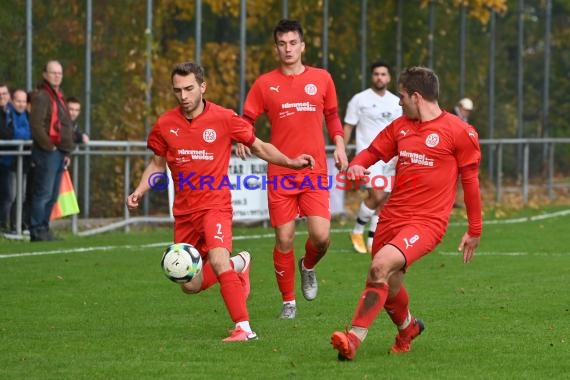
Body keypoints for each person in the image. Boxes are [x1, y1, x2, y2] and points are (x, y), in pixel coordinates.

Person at [126, 62, 314, 342]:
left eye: (189, 88)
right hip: (185, 213)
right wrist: (140, 189)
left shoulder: (224, 118)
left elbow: (259, 146)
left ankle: (244, 328)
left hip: (215, 205)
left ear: (202, 87)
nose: (183, 96)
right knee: (190, 284)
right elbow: (156, 164)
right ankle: (240, 264)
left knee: (217, 258)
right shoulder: (165, 124)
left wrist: (290, 162)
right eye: (178, 90)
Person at [330, 66, 482, 361]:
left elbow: (471, 182)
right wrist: (358, 163)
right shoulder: (401, 126)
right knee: (391, 282)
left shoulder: (459, 132)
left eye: (401, 96)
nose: (399, 102)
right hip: (392, 217)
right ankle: (408, 328)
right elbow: (373, 152)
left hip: (427, 222)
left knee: (378, 268)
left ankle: (352, 339)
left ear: (415, 96)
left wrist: (474, 229)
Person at [237, 19, 348, 320]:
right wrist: (243, 138)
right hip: (280, 172)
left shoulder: (322, 78)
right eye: (282, 44)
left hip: (313, 171)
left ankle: (308, 266)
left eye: (293, 43)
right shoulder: (264, 84)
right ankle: (288, 302)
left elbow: (333, 116)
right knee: (284, 238)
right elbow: (247, 118)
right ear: (276, 48)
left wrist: (339, 145)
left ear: (302, 45)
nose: (288, 49)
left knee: (321, 236)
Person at [344, 61, 402, 254]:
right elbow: (349, 126)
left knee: (384, 199)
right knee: (376, 195)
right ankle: (357, 230)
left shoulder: (396, 101)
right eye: (376, 74)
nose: (380, 77)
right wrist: (342, 151)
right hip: (369, 157)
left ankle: (372, 239)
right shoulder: (359, 100)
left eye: (383, 74)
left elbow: (401, 129)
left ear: (389, 78)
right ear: (372, 77)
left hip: (391, 158)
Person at [29, 60, 75, 241]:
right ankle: (37, 230)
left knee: (52, 195)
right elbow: (36, 125)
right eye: (53, 72)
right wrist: (50, 147)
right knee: (43, 193)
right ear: (45, 74)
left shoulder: (57, 95)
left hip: (59, 153)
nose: (57, 76)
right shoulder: (42, 96)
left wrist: (65, 151)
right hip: (47, 153)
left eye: (59, 73)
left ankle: (44, 228)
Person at [0, 89, 32, 233]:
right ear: (13, 100)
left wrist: (21, 136)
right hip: (9, 161)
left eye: (24, 101)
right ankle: (3, 226)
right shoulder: (9, 114)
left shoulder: (26, 115)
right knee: (10, 196)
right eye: (18, 101)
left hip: (23, 162)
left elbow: (28, 133)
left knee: (22, 196)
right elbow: (11, 133)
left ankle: (16, 226)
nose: (21, 104)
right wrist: (21, 136)